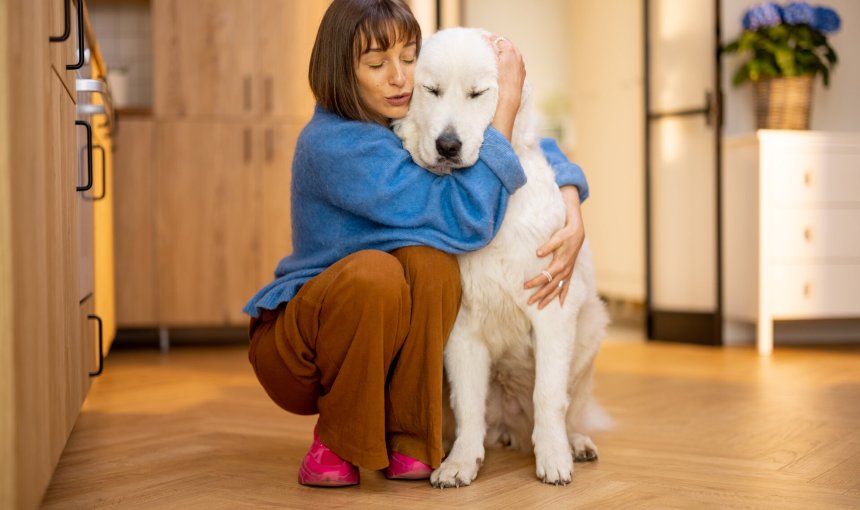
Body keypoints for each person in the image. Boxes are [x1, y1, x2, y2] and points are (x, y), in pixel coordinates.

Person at [244, 0, 590, 487]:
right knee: (379, 273)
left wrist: (571, 198)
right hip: (300, 349)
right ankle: (334, 440)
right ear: (342, 70)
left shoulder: (404, 114)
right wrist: (506, 107)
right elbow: (465, 218)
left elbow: (538, 147)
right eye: (376, 63)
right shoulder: (336, 147)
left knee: (428, 264)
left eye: (409, 58)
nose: (399, 78)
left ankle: (409, 438)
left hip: (372, 335)